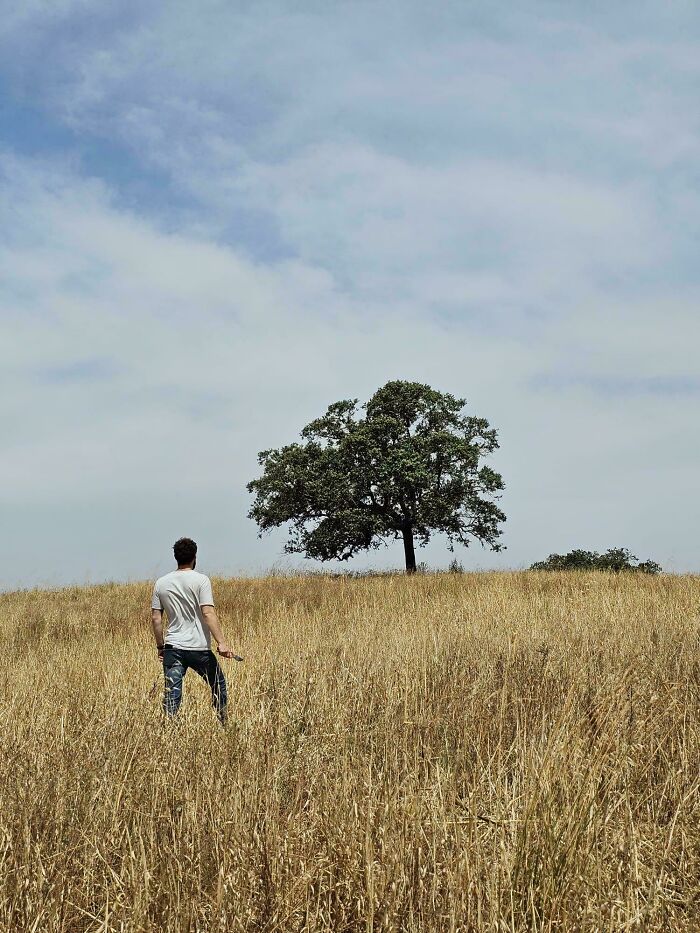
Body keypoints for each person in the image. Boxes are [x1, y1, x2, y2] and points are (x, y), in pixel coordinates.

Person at [151, 537, 234, 724]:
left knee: (172, 693)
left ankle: (168, 731)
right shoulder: (201, 581)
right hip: (199, 649)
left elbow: (156, 618)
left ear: (176, 557)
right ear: (194, 557)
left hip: (173, 647)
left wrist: (160, 646)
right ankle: (223, 723)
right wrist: (221, 642)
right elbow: (208, 613)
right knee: (218, 684)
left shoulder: (161, 583)